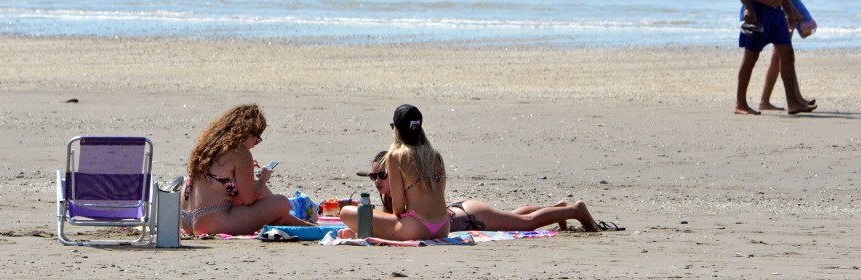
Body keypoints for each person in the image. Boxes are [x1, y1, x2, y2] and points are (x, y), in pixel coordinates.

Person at [357, 151, 603, 232]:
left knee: (525, 223)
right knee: (513, 215)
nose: (376, 180)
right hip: (463, 211)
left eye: (382, 175)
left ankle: (575, 210)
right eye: (373, 176)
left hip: (468, 215)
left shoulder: (407, 192)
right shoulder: (390, 198)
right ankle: (558, 209)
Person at [180, 103, 311, 235]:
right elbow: (249, 199)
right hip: (212, 222)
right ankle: (299, 224)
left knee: (260, 193)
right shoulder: (240, 152)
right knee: (281, 203)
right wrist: (263, 179)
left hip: (186, 220)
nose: (255, 145)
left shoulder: (208, 147)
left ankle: (298, 223)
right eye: (257, 138)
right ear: (248, 132)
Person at [338, 104, 450, 240]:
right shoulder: (436, 155)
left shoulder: (395, 156)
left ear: (396, 130)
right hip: (443, 227)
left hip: (417, 228)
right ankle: (361, 233)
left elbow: (398, 208)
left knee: (346, 212)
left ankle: (360, 233)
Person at [759, 0, 817, 111]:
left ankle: (795, 98)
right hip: (780, 7)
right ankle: (768, 100)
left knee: (784, 55)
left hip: (793, 5)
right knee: (781, 55)